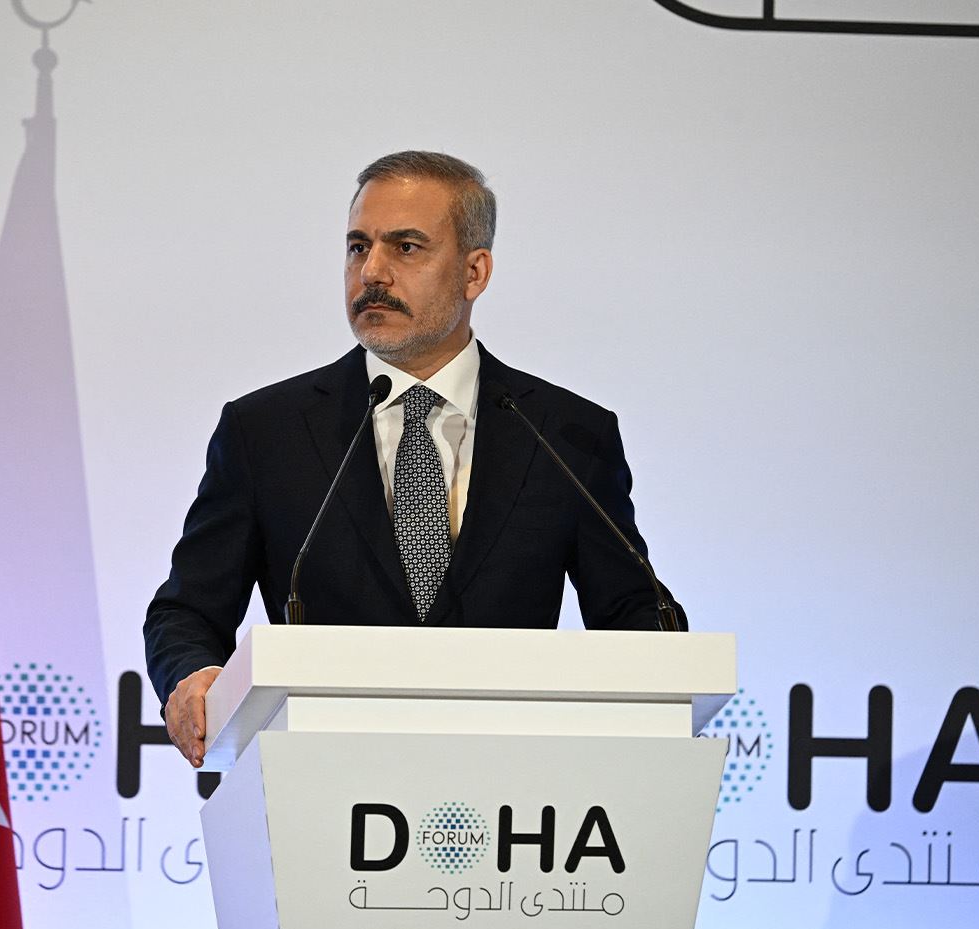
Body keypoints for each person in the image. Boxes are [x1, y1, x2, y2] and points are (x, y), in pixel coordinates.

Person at [143, 151, 685, 767]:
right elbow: (187, 610)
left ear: (475, 272)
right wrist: (193, 674)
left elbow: (634, 612)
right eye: (358, 247)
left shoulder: (567, 435)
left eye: (405, 247)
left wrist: (666, 679)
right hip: (319, 783)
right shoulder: (266, 431)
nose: (372, 272)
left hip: (517, 790)